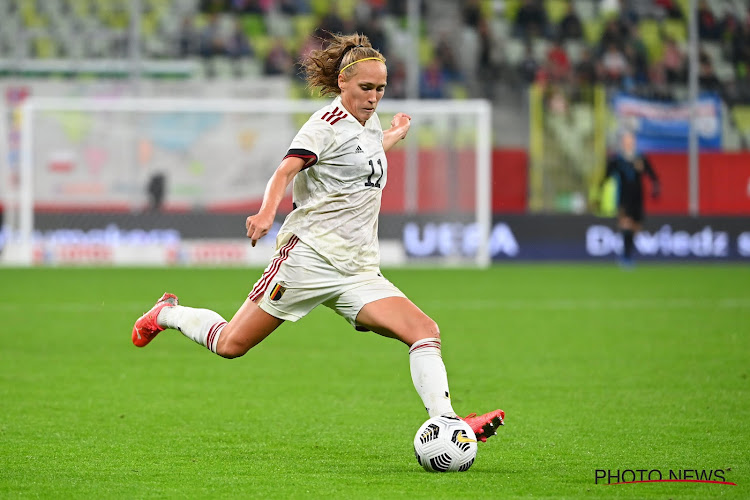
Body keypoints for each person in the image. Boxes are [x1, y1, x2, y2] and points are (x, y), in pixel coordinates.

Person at [131, 33, 505, 442]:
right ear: (343, 83)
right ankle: (165, 313)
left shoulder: (369, 121)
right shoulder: (322, 127)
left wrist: (395, 134)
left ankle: (448, 422)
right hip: (308, 258)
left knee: (424, 330)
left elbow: (362, 152)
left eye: (381, 89)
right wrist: (266, 211)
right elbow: (285, 171)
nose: (374, 97)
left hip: (358, 269)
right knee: (231, 344)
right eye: (366, 88)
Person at [599, 130, 660, 267]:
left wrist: (656, 188)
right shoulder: (617, 160)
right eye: (626, 140)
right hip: (623, 198)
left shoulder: (640, 158)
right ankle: (625, 257)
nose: (628, 143)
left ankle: (629, 253)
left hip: (638, 198)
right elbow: (606, 176)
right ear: (623, 143)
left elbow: (652, 176)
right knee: (625, 224)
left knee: (636, 227)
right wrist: (600, 191)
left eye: (631, 140)